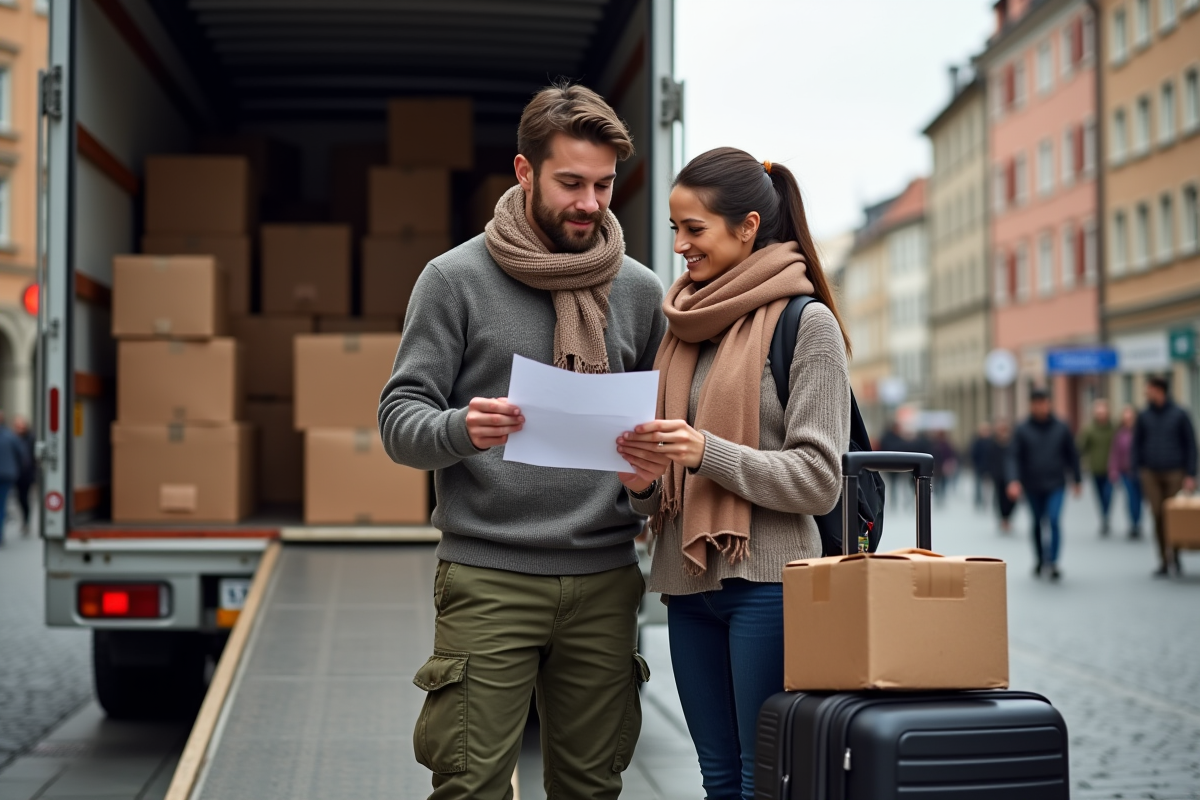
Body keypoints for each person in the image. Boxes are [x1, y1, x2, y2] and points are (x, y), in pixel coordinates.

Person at [378, 82, 667, 800]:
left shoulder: (638, 291)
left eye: (604, 185)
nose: (591, 204)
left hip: (604, 578)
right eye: (571, 182)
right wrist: (460, 428)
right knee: (470, 785)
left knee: (591, 788)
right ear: (524, 172)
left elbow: (667, 449)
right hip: (489, 575)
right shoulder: (453, 279)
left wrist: (647, 482)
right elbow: (398, 419)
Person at [615, 148, 850, 800]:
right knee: (717, 777)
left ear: (747, 226)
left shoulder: (808, 325)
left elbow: (818, 479)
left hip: (769, 587)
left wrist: (705, 452)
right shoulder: (683, 326)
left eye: (695, 229)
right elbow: (654, 496)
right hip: (686, 586)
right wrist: (639, 481)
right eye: (674, 229)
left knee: (760, 778)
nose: (681, 245)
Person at [1007, 389, 1082, 580]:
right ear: (1031, 405)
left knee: (1054, 520)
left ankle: (1054, 561)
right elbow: (1013, 457)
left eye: (1044, 403)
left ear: (1049, 404)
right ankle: (1040, 559)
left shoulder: (1061, 427)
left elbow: (1072, 455)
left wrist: (1077, 479)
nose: (1041, 407)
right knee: (1037, 523)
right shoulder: (1022, 429)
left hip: (1056, 483)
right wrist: (1013, 480)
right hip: (1032, 484)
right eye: (1037, 403)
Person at [1133, 375, 1197, 577]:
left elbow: (1191, 445)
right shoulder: (1144, 416)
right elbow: (1137, 445)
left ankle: (1175, 554)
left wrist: (1191, 474)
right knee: (1157, 515)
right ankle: (1163, 559)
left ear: (1159, 390)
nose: (1146, 393)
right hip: (1151, 472)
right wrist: (1137, 470)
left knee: (1173, 516)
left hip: (1175, 471)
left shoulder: (1179, 414)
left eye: (1148, 389)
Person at [1077, 399, 1116, 535]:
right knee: (1099, 496)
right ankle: (1104, 518)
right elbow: (1081, 447)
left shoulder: (1113, 428)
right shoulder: (1089, 429)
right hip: (1095, 468)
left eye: (1103, 412)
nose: (1101, 415)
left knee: (1108, 495)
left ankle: (1106, 517)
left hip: (1111, 469)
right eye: (1098, 412)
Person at [1108, 405, 1143, 540]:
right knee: (1130, 498)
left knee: (1139, 499)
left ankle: (1138, 521)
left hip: (1140, 471)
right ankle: (1133, 524)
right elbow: (1115, 454)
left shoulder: (1140, 432)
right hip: (1125, 471)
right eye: (1126, 417)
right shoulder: (1119, 434)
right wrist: (1113, 470)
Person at [0, 412, 28, 545]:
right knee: (2, 504)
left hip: (6, 475)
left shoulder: (10, 436)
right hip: (7, 475)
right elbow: (22, 455)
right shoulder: (11, 436)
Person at [991, 419, 1017, 532]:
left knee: (1012, 499)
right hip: (998, 475)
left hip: (1012, 476)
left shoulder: (1013, 443)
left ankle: (1008, 517)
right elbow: (989, 459)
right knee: (1000, 498)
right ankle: (1003, 519)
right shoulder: (993, 443)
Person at [12, 415, 34, 535]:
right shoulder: (12, 438)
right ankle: (23, 520)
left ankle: (26, 521)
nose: (19, 427)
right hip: (15, 474)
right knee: (19, 499)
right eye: (17, 425)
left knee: (24, 498)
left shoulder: (31, 438)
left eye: (21, 425)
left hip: (27, 475)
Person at [970, 422, 994, 509]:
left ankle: (986, 501)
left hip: (989, 467)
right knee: (978, 486)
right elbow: (973, 454)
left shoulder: (991, 442)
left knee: (988, 486)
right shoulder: (977, 442)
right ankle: (978, 501)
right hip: (979, 467)